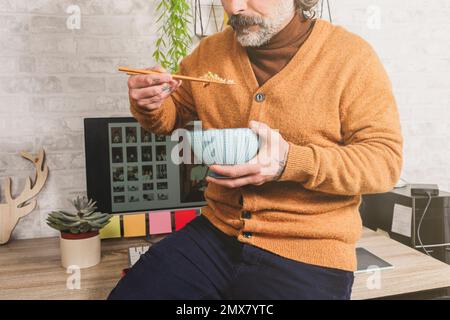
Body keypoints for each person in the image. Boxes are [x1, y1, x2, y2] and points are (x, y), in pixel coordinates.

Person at [109, 0, 403, 300]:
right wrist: (151, 102)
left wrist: (290, 161)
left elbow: (384, 163)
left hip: (309, 250)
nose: (235, 7)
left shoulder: (350, 57)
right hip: (216, 232)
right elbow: (171, 115)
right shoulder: (210, 54)